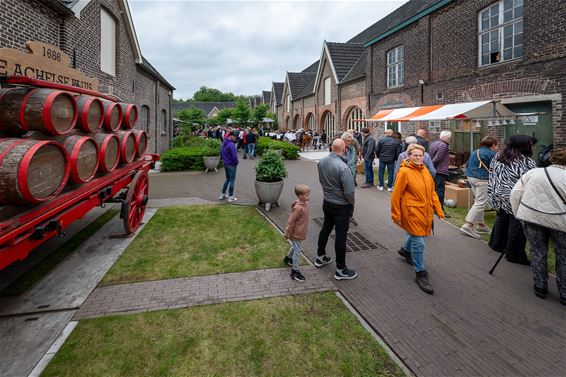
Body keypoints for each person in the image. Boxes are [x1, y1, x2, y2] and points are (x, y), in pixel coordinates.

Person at [510, 147, 566, 305]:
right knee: (563, 255)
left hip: (532, 217)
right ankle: (564, 292)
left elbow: (515, 193)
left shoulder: (534, 173)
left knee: (537, 251)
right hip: (560, 221)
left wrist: (518, 213)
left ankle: (540, 286)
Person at [391, 143, 444, 294]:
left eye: (421, 155)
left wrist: (438, 209)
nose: (418, 158)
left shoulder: (425, 171)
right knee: (419, 241)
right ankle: (420, 273)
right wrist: (396, 214)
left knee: (414, 235)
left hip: (424, 211)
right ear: (409, 156)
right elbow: (396, 195)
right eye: (415, 155)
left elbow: (432, 192)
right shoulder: (404, 172)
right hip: (411, 212)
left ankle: (404, 250)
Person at [488, 135, 537, 265]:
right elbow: (530, 182)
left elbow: (492, 173)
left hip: (499, 193)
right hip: (514, 197)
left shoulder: (498, 156)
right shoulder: (527, 162)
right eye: (531, 144)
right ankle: (514, 255)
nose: (533, 147)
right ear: (524, 145)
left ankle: (497, 244)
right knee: (517, 223)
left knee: (503, 217)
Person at [316, 138, 357, 280]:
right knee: (341, 236)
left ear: (332, 148)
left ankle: (320, 256)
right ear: (344, 149)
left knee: (326, 228)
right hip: (341, 205)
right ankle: (341, 269)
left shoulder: (322, 162)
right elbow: (349, 192)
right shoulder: (343, 167)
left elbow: (321, 180)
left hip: (327, 201)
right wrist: (351, 206)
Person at [460, 136, 498, 238]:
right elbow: (496, 168)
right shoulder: (492, 154)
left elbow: (467, 164)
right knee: (480, 202)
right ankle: (468, 225)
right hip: (482, 179)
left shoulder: (475, 151)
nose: (497, 147)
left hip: (471, 177)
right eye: (496, 145)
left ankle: (481, 225)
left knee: (478, 201)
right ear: (493, 145)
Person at [283, 184, 311, 282]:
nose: (309, 197)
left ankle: (287, 258)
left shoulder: (305, 204)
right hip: (296, 233)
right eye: (307, 195)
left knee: (296, 247)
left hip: (300, 232)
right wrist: (287, 232)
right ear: (300, 196)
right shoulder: (298, 208)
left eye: (309, 194)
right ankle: (294, 271)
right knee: (298, 251)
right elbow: (291, 221)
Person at [429, 130, 452, 217]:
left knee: (434, 190)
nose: (449, 140)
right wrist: (432, 167)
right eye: (449, 138)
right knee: (440, 191)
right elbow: (437, 158)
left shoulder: (434, 143)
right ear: (446, 137)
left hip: (435, 170)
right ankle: (439, 209)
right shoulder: (443, 145)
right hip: (439, 171)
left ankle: (434, 207)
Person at [219, 130, 239, 202]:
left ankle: (222, 194)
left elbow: (221, 153)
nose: (235, 138)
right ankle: (231, 196)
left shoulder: (224, 143)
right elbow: (234, 156)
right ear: (231, 136)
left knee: (227, 179)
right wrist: (236, 162)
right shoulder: (231, 144)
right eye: (234, 136)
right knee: (232, 180)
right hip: (231, 165)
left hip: (225, 164)